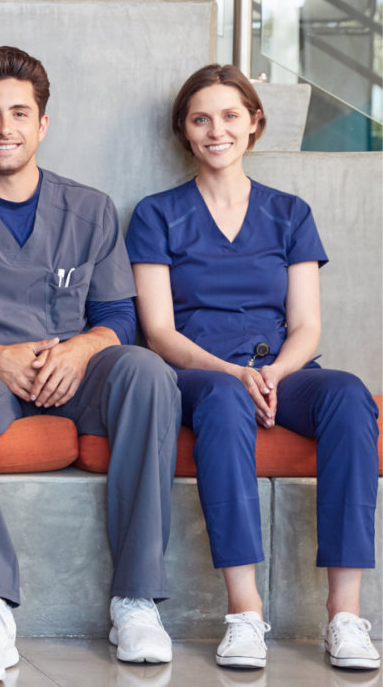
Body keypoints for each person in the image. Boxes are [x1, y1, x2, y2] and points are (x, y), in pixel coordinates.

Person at [0, 46, 180, 681]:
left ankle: (135, 600)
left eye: (20, 113)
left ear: (43, 124)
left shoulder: (92, 209)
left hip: (76, 376)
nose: (5, 129)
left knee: (147, 372)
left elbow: (121, 318)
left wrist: (79, 349)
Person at [126, 64, 379, 671]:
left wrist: (275, 373)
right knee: (221, 398)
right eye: (201, 118)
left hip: (282, 372)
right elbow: (160, 333)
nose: (217, 130)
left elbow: (307, 326)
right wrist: (234, 374)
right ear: (185, 132)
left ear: (254, 123)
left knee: (349, 394)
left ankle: (344, 617)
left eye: (231, 115)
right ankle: (244, 614)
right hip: (202, 372)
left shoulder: (290, 213)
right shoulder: (156, 214)